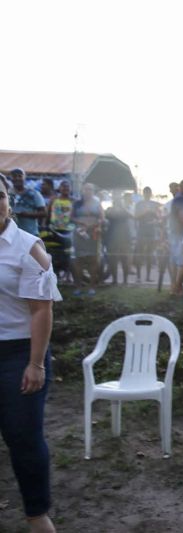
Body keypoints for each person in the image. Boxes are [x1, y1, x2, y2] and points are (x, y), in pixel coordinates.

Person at [0, 175, 62, 533]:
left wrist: (35, 363)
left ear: (11, 200)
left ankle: (37, 515)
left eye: (1, 195)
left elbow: (41, 310)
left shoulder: (27, 247)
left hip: (18, 354)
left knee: (23, 437)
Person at [70, 183, 104, 296]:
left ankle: (92, 286)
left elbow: (102, 217)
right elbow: (71, 217)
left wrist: (95, 224)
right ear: (82, 190)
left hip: (93, 233)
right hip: (79, 233)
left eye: (90, 189)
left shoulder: (97, 203)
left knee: (93, 259)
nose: (88, 191)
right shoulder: (76, 203)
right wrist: (82, 223)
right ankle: (79, 286)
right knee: (78, 260)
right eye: (86, 189)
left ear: (93, 191)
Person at [104, 191, 133, 285]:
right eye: (115, 199)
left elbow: (129, 216)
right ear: (113, 200)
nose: (117, 200)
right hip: (112, 237)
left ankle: (125, 280)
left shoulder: (124, 210)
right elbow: (107, 216)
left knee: (124, 259)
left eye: (119, 199)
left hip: (124, 237)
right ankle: (115, 280)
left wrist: (120, 210)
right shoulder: (109, 210)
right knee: (113, 260)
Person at [133, 186, 161, 282]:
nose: (147, 194)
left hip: (151, 231)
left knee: (149, 254)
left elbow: (159, 217)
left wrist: (155, 215)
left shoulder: (154, 204)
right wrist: (145, 212)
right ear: (143, 194)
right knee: (139, 254)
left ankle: (148, 277)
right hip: (141, 230)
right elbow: (135, 217)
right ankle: (138, 276)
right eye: (146, 193)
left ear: (151, 194)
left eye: (149, 193)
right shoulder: (139, 204)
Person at [8, 168, 46, 236]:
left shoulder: (34, 193)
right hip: (11, 234)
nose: (17, 178)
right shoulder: (6, 194)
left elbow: (44, 213)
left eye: (20, 176)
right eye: (14, 176)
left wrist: (27, 214)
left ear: (24, 177)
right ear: (11, 178)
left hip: (30, 234)